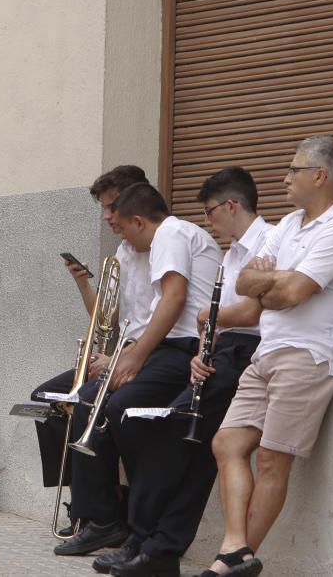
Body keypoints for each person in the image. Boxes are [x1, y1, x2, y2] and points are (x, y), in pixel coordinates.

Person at [97, 167, 272, 577]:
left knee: (173, 434)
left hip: (250, 352)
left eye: (210, 212)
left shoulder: (270, 241)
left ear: (231, 205)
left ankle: (152, 545)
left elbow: (252, 312)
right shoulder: (233, 254)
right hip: (221, 352)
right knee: (184, 447)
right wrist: (204, 350)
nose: (207, 222)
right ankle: (152, 546)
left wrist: (209, 317)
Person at [197, 135, 333, 577]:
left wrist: (272, 284)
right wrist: (269, 285)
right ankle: (236, 548)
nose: (284, 178)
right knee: (226, 443)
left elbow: (295, 292)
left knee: (270, 458)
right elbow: (247, 284)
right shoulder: (286, 224)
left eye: (293, 170)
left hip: (309, 355)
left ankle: (228, 564)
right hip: (266, 353)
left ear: (320, 176)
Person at [55, 182, 222, 557]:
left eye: (122, 224)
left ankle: (134, 521)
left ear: (138, 220)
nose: (119, 231)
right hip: (157, 347)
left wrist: (135, 356)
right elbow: (118, 317)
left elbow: (174, 298)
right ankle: (101, 518)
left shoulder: (171, 233)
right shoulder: (142, 244)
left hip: (182, 348)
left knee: (119, 411)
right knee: (86, 402)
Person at [29, 165, 153, 503]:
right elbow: (106, 319)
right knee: (47, 398)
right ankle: (81, 501)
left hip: (143, 357)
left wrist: (116, 360)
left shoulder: (163, 248)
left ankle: (103, 505)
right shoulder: (124, 252)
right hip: (120, 353)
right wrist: (83, 282)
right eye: (104, 209)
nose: (107, 218)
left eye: (112, 207)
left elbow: (166, 323)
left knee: (85, 402)